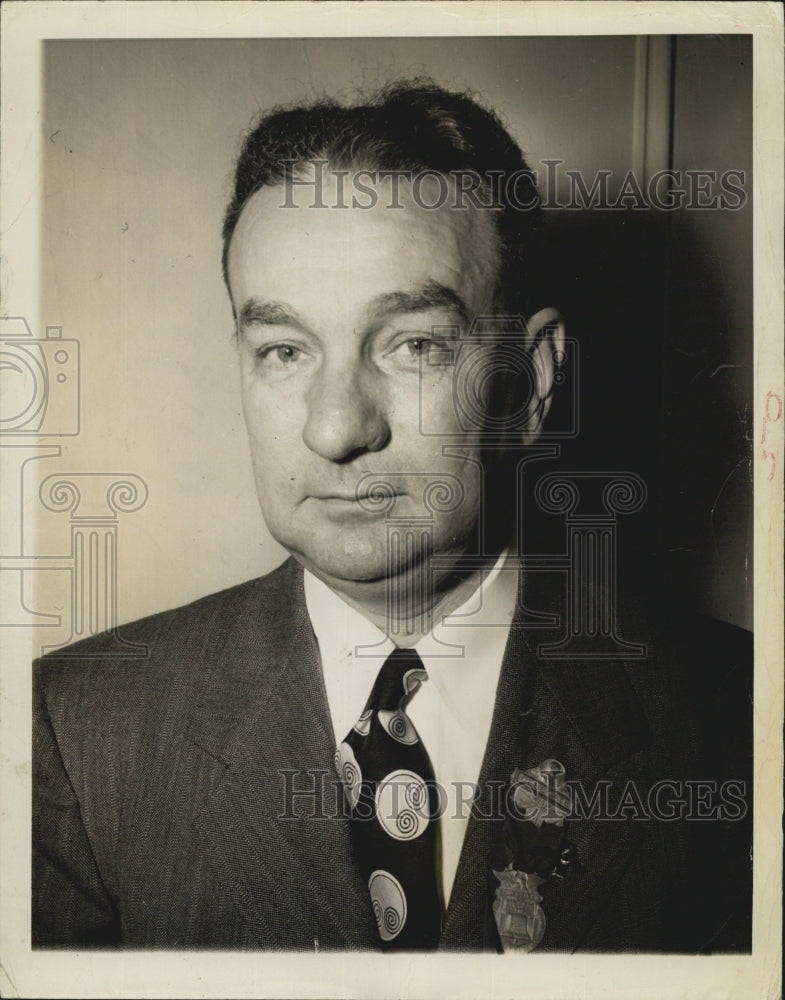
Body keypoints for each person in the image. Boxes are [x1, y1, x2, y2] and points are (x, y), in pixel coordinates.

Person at [32, 80, 752, 952]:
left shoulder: (733, 720)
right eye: (284, 350)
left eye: (412, 344)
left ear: (531, 383)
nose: (336, 427)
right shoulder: (73, 734)